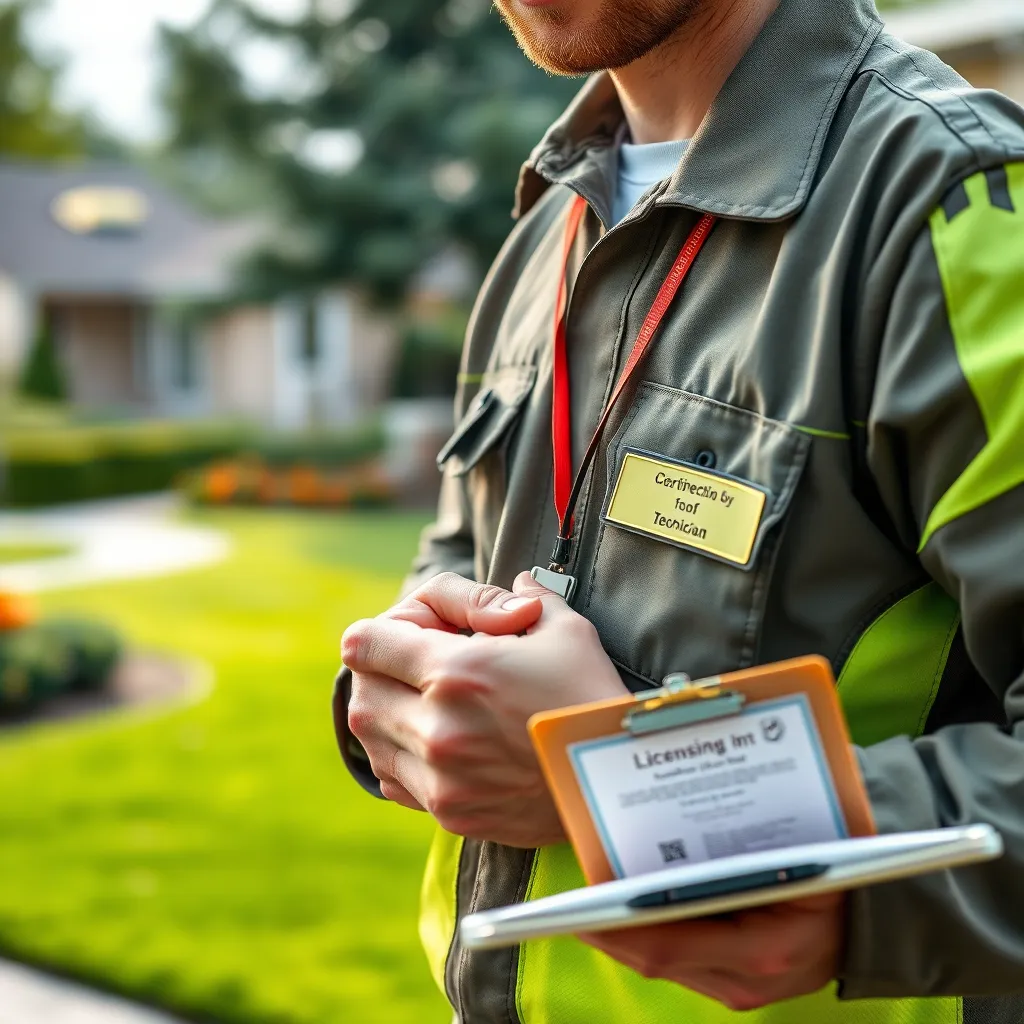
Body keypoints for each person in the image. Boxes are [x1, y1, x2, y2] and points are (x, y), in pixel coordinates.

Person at [334, 0, 1024, 1019]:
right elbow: (450, 577)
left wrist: (630, 781)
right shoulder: (543, 232)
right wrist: (401, 694)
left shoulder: (957, 210)